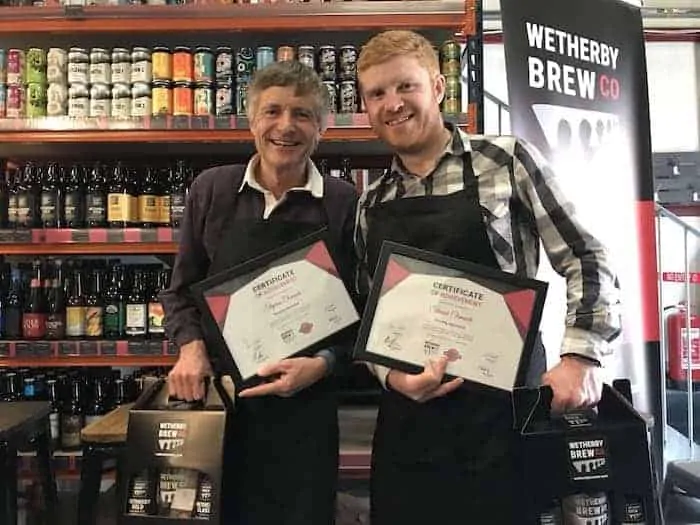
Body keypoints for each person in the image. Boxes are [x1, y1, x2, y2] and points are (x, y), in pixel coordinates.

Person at [354, 30, 622, 524]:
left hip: (505, 411)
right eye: (377, 93)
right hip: (410, 423)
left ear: (437, 86)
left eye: (405, 86)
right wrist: (390, 375)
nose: (393, 104)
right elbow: (369, 310)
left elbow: (585, 255)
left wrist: (580, 355)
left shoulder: (506, 160)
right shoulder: (373, 203)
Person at [161, 60, 358, 525]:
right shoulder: (212, 190)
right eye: (272, 111)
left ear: (322, 128)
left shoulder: (345, 203)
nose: (285, 126)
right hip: (220, 405)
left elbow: (364, 312)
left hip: (305, 411)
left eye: (302, 114)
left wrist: (325, 364)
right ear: (252, 121)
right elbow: (181, 291)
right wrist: (190, 350)